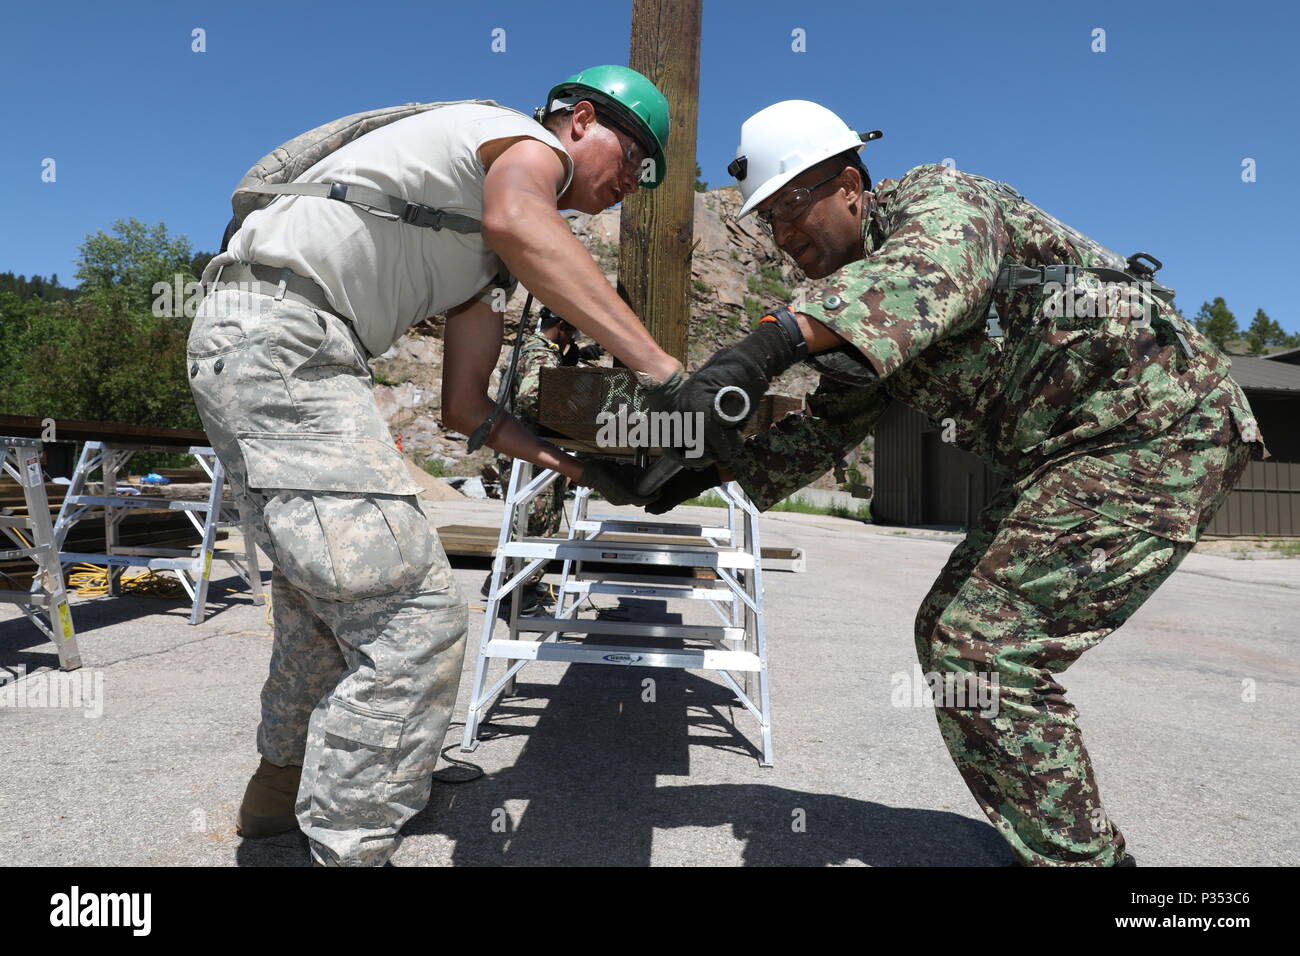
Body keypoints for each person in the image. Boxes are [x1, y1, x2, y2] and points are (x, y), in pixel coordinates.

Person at [646, 99, 1266, 866]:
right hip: (1074, 453)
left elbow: (929, 273)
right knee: (950, 636)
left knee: (983, 646)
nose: (783, 236)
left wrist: (769, 342)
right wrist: (690, 470)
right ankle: (1057, 847)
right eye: (767, 220)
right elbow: (830, 424)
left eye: (791, 208)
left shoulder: (943, 205)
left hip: (1159, 424)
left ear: (849, 184)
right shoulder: (855, 310)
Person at [188, 65, 674, 866]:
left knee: (325, 603)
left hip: (271, 347)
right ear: (580, 121)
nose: (632, 183)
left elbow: (467, 410)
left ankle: (279, 795)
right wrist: (662, 372)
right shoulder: (520, 147)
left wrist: (578, 470)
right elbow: (523, 218)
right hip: (284, 343)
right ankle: (347, 848)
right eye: (632, 158)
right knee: (415, 619)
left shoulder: (482, 256)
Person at [482, 309, 605, 613]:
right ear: (561, 326)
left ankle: (498, 583)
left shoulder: (529, 347)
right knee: (538, 528)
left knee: (520, 523)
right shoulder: (540, 355)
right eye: (572, 332)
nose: (573, 338)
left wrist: (570, 361)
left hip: (520, 449)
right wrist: (579, 404)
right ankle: (520, 598)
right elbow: (533, 397)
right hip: (532, 453)